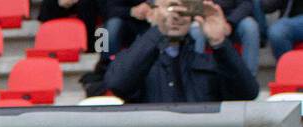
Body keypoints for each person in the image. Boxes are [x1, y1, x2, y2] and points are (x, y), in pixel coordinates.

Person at [104, 0, 258, 102]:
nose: (177, 16)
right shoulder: (134, 62)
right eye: (170, 7)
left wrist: (220, 43)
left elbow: (248, 93)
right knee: (108, 29)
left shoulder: (209, 63)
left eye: (184, 10)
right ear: (151, 14)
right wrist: (159, 31)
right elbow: (118, 84)